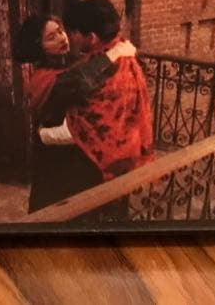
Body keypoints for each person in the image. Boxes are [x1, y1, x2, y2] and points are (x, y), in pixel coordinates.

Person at [13, 13, 136, 212]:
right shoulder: (43, 79)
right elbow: (77, 81)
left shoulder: (74, 63)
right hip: (60, 163)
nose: (61, 38)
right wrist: (113, 55)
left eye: (60, 31)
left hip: (85, 156)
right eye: (51, 37)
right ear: (39, 47)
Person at [58, 0, 154, 219]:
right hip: (127, 150)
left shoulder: (101, 66)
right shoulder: (124, 51)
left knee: (94, 213)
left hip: (99, 159)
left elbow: (66, 87)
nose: (68, 38)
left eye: (72, 32)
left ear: (91, 37)